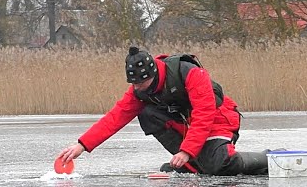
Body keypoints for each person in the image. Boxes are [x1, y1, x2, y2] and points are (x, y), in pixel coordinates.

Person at [58, 46, 274, 176]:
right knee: (147, 114)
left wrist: (186, 150)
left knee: (219, 165)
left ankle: (266, 158)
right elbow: (116, 117)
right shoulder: (139, 90)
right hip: (188, 123)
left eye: (140, 84)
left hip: (219, 118)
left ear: (152, 74)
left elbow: (204, 114)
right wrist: (82, 145)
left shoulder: (188, 72)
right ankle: (192, 165)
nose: (137, 89)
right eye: (133, 85)